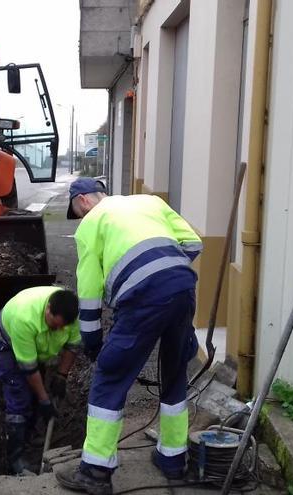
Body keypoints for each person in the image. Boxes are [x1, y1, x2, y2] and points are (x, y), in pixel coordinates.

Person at [56, 178, 202, 495]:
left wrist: (93, 342)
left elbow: (90, 292)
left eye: (77, 211)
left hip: (144, 297)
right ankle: (173, 460)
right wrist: (166, 275)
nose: (80, 217)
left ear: (82, 202)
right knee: (175, 373)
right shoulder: (149, 202)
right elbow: (193, 243)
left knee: (110, 376)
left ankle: (94, 473)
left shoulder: (90, 224)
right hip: (183, 287)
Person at [0, 286, 81, 474]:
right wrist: (45, 400)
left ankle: (30, 436)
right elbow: (29, 369)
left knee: (35, 392)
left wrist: (62, 375)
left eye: (62, 328)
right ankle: (15, 460)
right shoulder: (25, 319)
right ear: (48, 310)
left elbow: (72, 346)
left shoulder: (71, 316)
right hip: (6, 343)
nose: (59, 331)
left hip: (37, 347)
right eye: (55, 327)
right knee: (19, 395)